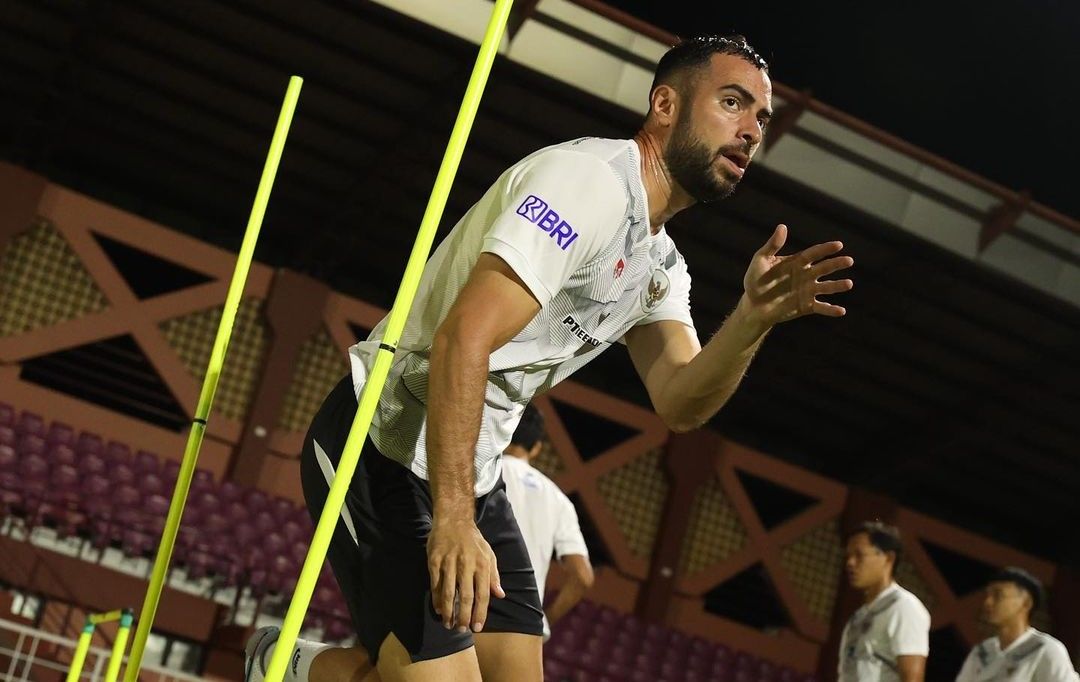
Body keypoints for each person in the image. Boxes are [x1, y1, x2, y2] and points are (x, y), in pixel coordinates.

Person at [246, 33, 855, 682]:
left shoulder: (660, 265)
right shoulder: (586, 184)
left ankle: (296, 669)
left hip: (471, 468)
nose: (750, 130)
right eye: (732, 103)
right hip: (385, 444)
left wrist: (751, 322)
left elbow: (679, 400)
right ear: (665, 104)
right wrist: (451, 518)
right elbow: (463, 338)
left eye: (760, 118)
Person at [500, 404, 593, 639]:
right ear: (536, 448)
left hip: (470, 614)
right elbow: (583, 577)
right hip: (525, 629)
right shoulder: (559, 500)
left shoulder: (483, 472)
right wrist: (544, 620)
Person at [839, 521, 931, 681]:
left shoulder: (904, 607)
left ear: (888, 558)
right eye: (848, 556)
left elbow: (913, 678)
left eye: (859, 555)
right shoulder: (857, 617)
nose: (850, 563)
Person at [956, 567, 1078, 681]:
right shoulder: (981, 652)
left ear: (1026, 603)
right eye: (988, 595)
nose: (988, 602)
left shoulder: (1045, 649)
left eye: (998, 595)